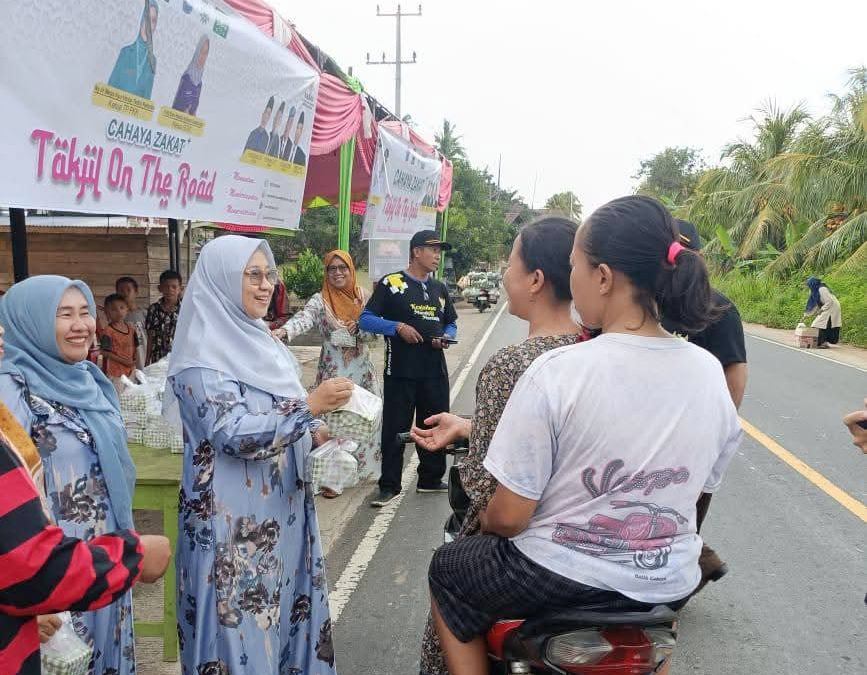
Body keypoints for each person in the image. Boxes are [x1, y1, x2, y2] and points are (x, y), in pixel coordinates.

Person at [426, 196, 743, 675]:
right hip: (668, 581)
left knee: (449, 570)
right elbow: (698, 497)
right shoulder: (707, 372)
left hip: (561, 577)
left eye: (575, 265)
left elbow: (510, 517)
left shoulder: (558, 370)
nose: (571, 280)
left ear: (603, 277)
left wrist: (484, 527)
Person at [166, 235, 353, 674]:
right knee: (237, 637)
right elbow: (230, 432)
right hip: (231, 531)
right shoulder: (200, 360)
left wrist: (319, 436)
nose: (265, 285)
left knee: (282, 624)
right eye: (252, 275)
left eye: (269, 274)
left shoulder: (266, 345)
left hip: (280, 523)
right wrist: (309, 406)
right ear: (223, 281)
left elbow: (284, 418)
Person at [411, 217, 587, 675]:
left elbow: (490, 491)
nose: (505, 276)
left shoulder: (510, 365)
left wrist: (474, 445)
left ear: (535, 279)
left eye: (511, 263)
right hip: (591, 541)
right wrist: (469, 426)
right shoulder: (595, 351)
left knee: (448, 579)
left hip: (528, 547)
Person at [0, 276, 147, 675]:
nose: (80, 324)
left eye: (84, 312)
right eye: (64, 314)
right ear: (30, 322)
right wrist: (35, 588)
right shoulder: (12, 390)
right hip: (52, 564)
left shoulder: (90, 380)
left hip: (101, 555)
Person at [660, 219, 748, 591]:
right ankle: (699, 562)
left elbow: (734, 375)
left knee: (679, 518)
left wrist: (714, 434)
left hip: (692, 438)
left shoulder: (717, 307)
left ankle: (682, 577)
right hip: (647, 429)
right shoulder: (647, 301)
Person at [360, 230, 458, 506]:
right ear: (416, 252)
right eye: (433, 249)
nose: (438, 255)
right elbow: (365, 319)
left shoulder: (439, 288)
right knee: (395, 428)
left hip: (434, 371)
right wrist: (397, 327)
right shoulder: (392, 284)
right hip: (400, 372)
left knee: (436, 424)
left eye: (440, 250)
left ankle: (430, 478)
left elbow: (451, 322)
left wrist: (447, 336)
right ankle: (389, 485)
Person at [274, 250, 382, 486]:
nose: (337, 273)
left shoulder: (365, 299)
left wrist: (361, 329)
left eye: (342, 268)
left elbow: (376, 336)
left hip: (361, 375)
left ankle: (360, 474)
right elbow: (305, 317)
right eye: (332, 269)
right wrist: (284, 331)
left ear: (351, 270)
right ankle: (333, 480)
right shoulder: (320, 299)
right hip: (333, 373)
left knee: (362, 421)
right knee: (333, 426)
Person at [108, 0, 159, 99]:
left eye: (152, 20)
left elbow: (146, 99)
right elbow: (110, 88)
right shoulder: (126, 52)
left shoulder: (152, 61)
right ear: (141, 19)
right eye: (146, 18)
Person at [99, 293, 138, 383]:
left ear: (127, 309)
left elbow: (135, 346)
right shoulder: (108, 331)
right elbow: (104, 352)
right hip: (116, 373)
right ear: (107, 313)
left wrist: (134, 360)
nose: (119, 312)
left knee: (131, 394)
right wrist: (124, 361)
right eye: (113, 309)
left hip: (131, 370)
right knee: (119, 395)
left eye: (122, 308)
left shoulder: (131, 329)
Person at [145, 269, 182, 364]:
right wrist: (146, 361)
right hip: (157, 358)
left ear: (180, 289)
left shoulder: (185, 309)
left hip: (179, 358)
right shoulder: (153, 309)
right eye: (166, 286)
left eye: (174, 287)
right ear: (159, 288)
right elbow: (150, 337)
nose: (170, 290)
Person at [172, 35, 209, 116]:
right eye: (201, 51)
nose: (203, 56)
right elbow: (179, 103)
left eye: (206, 53)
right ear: (197, 52)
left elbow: (194, 109)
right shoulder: (187, 77)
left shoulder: (199, 84)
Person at [116, 275, 148, 369]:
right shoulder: (117, 317)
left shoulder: (145, 314)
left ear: (136, 292)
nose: (125, 293)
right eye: (121, 290)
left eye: (128, 290)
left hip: (143, 355)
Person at [804, 276, 843, 348]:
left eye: (809, 285)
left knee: (819, 324)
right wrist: (807, 315)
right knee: (825, 324)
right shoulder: (815, 290)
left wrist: (821, 310)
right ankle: (824, 342)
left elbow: (829, 301)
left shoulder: (822, 289)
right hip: (828, 307)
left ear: (813, 284)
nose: (808, 286)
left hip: (832, 307)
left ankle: (823, 343)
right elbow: (815, 305)